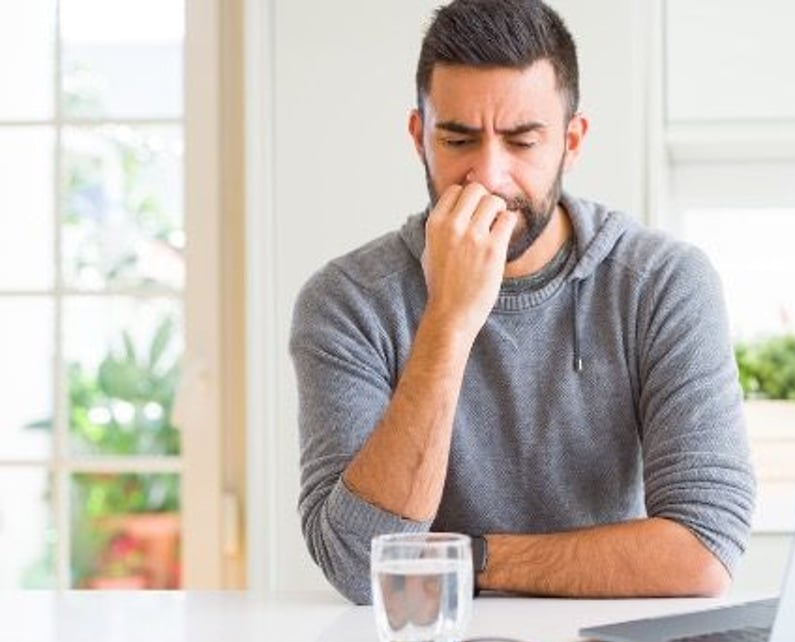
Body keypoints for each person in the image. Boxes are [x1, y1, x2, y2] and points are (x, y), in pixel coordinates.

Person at [290, 0, 755, 604]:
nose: (489, 175)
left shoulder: (661, 282)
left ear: (572, 140)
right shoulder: (347, 302)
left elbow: (704, 550)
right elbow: (358, 567)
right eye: (458, 139)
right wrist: (450, 322)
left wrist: (464, 557)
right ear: (418, 138)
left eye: (523, 141)